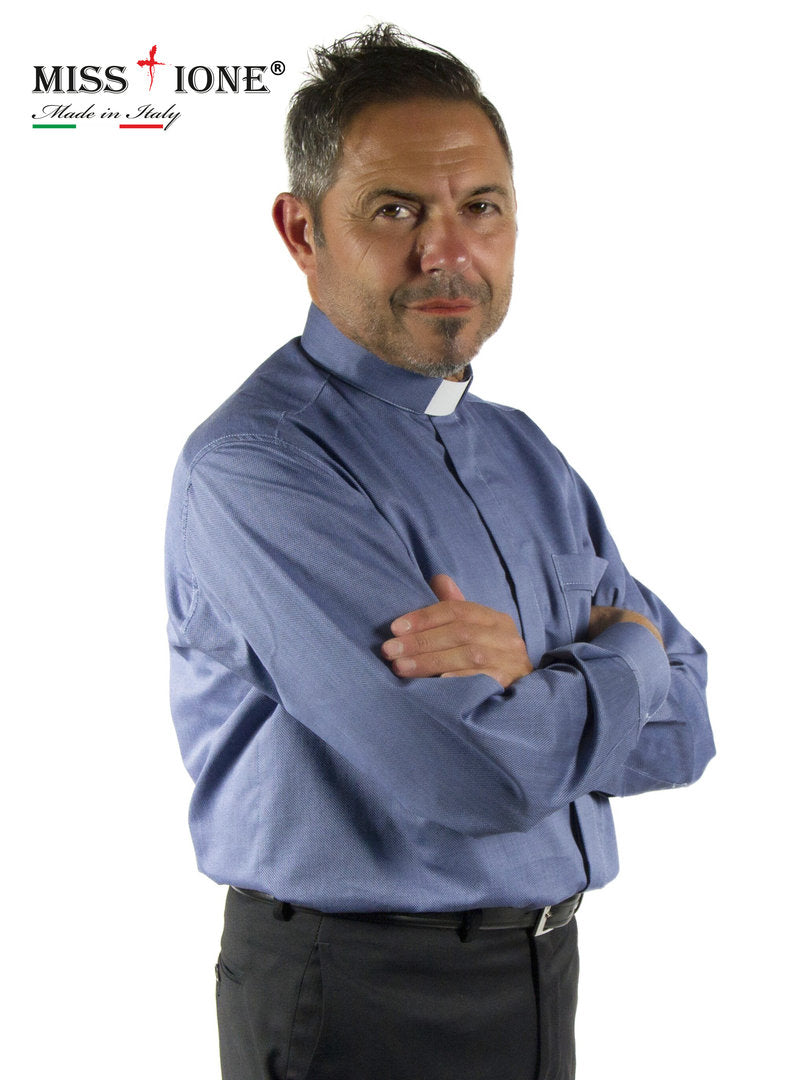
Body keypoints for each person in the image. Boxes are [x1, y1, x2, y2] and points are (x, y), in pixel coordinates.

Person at [165, 24, 714, 1080]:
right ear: (302, 231)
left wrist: (535, 676)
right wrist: (625, 654)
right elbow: (472, 775)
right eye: (395, 209)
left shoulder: (526, 454)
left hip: (543, 975)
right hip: (357, 996)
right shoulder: (259, 468)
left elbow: (689, 729)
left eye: (481, 208)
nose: (446, 251)